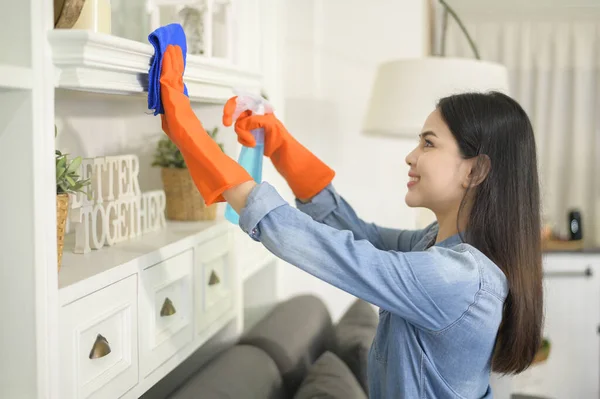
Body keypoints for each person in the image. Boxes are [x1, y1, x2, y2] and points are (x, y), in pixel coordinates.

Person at [158, 44, 544, 398]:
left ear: (475, 172)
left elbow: (341, 253)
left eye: (428, 143)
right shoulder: (437, 246)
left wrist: (188, 129)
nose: (411, 156)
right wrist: (279, 143)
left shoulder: (456, 278)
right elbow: (359, 235)